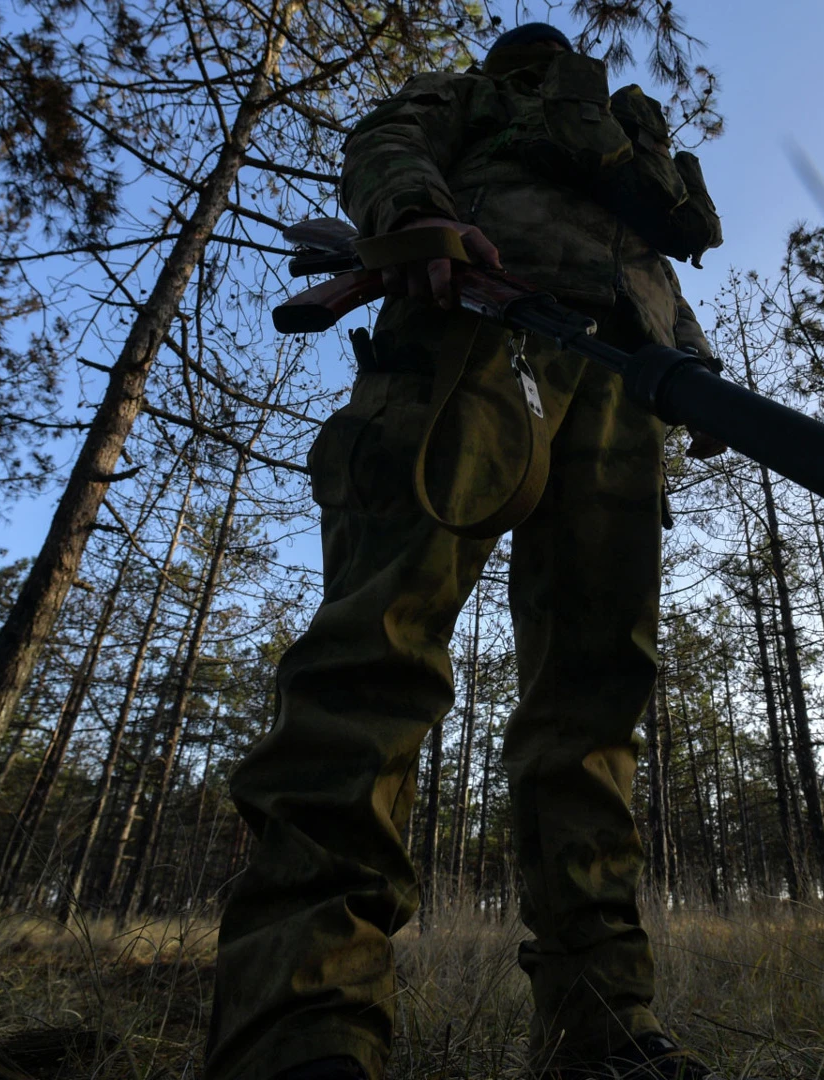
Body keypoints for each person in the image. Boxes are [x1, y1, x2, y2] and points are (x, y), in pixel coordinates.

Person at [207, 23, 731, 1080]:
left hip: (624, 385)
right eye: (532, 56)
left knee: (594, 701)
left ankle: (605, 1027)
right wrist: (418, 219)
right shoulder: (472, 96)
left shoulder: (626, 145)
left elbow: (651, 265)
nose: (547, 61)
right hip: (467, 341)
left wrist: (697, 362)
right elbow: (386, 141)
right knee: (376, 657)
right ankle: (306, 1034)